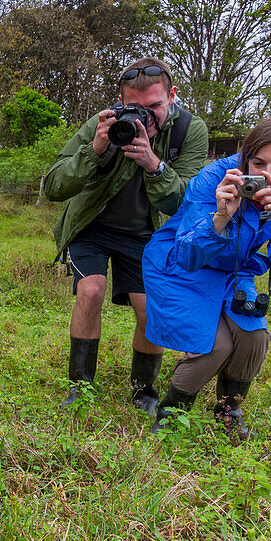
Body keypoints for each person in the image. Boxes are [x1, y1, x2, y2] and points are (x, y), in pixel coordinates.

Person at [142, 115, 271, 440]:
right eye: (258, 162)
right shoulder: (215, 177)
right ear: (246, 157)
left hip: (234, 270)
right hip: (181, 266)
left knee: (254, 338)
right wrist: (222, 216)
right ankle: (172, 409)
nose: (269, 175)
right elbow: (188, 254)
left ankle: (229, 410)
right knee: (214, 345)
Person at [43, 58, 209, 413]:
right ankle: (80, 388)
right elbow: (55, 185)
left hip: (148, 233)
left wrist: (154, 165)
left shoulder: (189, 131)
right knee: (90, 290)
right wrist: (95, 150)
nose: (145, 117)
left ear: (172, 96)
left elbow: (188, 201)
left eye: (155, 107)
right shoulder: (102, 124)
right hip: (93, 225)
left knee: (150, 310)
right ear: (121, 101)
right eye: (135, 107)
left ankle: (144, 391)